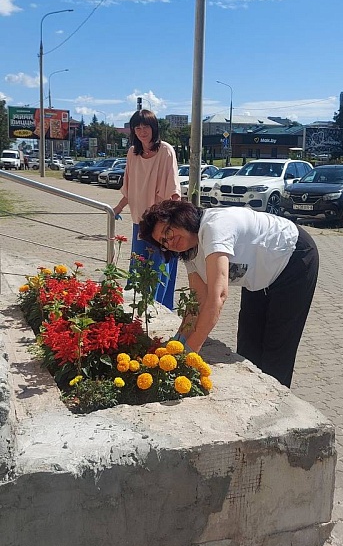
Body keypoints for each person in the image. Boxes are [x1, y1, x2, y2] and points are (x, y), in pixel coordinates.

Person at [138, 201, 319, 388]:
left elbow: (218, 296)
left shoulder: (214, 227)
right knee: (248, 344)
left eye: (168, 231)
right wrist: (177, 343)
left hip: (293, 258)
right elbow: (197, 301)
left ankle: (278, 406)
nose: (170, 241)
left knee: (277, 346)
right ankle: (251, 395)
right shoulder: (189, 251)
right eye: (163, 242)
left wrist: (190, 355)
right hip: (259, 275)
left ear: (180, 218)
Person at [113, 110, 181, 310]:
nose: (142, 131)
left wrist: (172, 222)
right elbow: (129, 187)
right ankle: (136, 311)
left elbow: (173, 190)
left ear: (154, 128)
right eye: (138, 127)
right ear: (133, 130)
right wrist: (116, 209)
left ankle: (158, 310)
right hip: (140, 222)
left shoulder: (166, 151)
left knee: (160, 267)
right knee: (138, 266)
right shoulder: (133, 153)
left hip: (161, 222)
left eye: (146, 126)